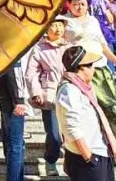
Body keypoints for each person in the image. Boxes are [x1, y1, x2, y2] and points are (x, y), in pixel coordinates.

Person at [63, 0, 116, 166]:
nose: (79, 7)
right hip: (78, 71)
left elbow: (102, 44)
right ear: (69, 5)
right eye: (75, 4)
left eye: (82, 4)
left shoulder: (93, 21)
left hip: (100, 68)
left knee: (112, 106)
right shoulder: (64, 21)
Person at [56, 44, 116, 180]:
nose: (94, 69)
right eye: (91, 65)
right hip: (86, 157)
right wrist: (88, 156)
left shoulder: (84, 88)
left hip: (100, 153)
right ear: (81, 68)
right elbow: (71, 126)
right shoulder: (69, 90)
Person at [26, 18, 67, 176]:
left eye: (60, 25)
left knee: (69, 132)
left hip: (69, 94)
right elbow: (31, 73)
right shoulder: (39, 49)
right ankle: (51, 161)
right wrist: (36, 92)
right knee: (54, 134)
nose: (58, 29)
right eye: (54, 25)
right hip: (49, 95)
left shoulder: (69, 46)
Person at [0, 60, 27, 181]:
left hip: (4, 100)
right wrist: (19, 100)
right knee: (16, 146)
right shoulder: (12, 54)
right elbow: (15, 71)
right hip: (12, 102)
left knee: (11, 144)